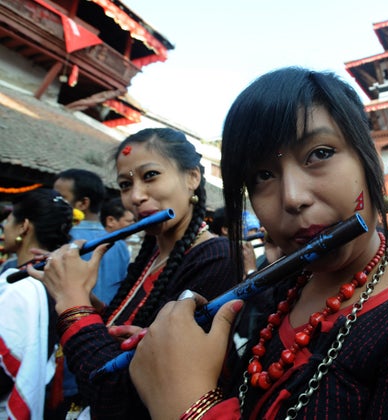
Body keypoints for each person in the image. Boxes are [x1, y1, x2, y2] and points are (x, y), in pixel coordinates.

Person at [127, 67, 388, 419]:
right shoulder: (274, 292)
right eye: (262, 176)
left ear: (369, 161)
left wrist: (189, 406)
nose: (292, 197)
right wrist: (171, 352)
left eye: (319, 154)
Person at [31, 128, 239, 419]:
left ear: (192, 177)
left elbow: (119, 393)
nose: (136, 196)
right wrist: (85, 300)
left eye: (150, 175)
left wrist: (73, 303)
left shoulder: (218, 258)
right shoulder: (151, 255)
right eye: (125, 184)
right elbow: (119, 339)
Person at [0, 188, 73, 419]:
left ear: (24, 226)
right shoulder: (60, 280)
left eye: (9, 219)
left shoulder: (23, 289)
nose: (4, 226)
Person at [53, 169, 127, 304]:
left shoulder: (64, 239)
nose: (53, 203)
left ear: (83, 204)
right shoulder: (120, 244)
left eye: (60, 198)